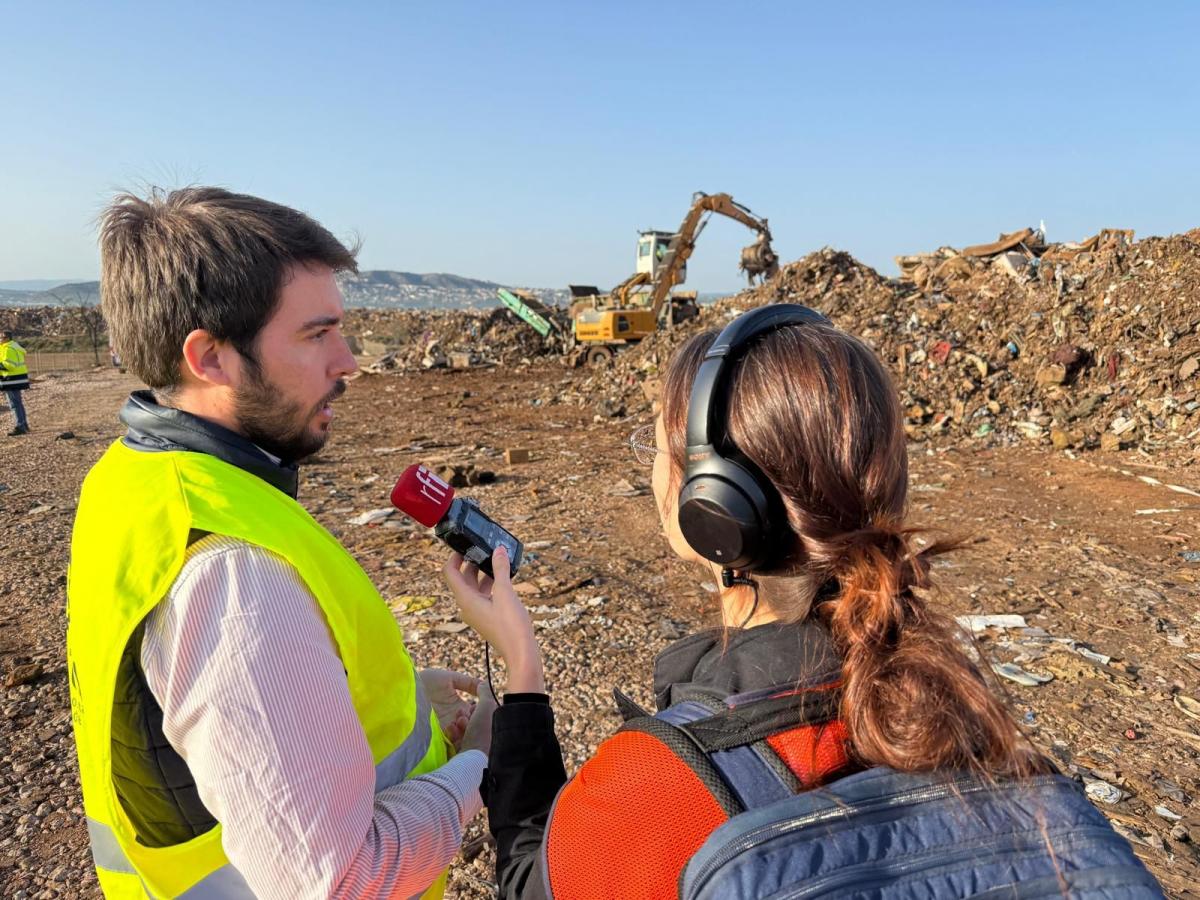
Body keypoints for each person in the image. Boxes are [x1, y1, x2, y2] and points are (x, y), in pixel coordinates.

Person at [444, 305, 1159, 898]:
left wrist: (523, 674)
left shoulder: (653, 786)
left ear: (713, 507)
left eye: (660, 450)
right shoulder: (957, 712)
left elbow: (529, 878)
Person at [68, 187, 494, 900]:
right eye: (315, 334)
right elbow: (336, 881)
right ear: (210, 358)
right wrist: (478, 764)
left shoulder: (134, 477)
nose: (348, 361)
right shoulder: (235, 574)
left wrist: (398, 704)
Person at [0, 328, 31, 435]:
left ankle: (20, 426)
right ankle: (24, 425)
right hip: (17, 378)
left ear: (7, 338)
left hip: (11, 380)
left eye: (1, 337)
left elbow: (10, 365)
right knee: (18, 403)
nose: (0, 339)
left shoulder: (8, 349)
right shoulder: (14, 346)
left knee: (14, 404)